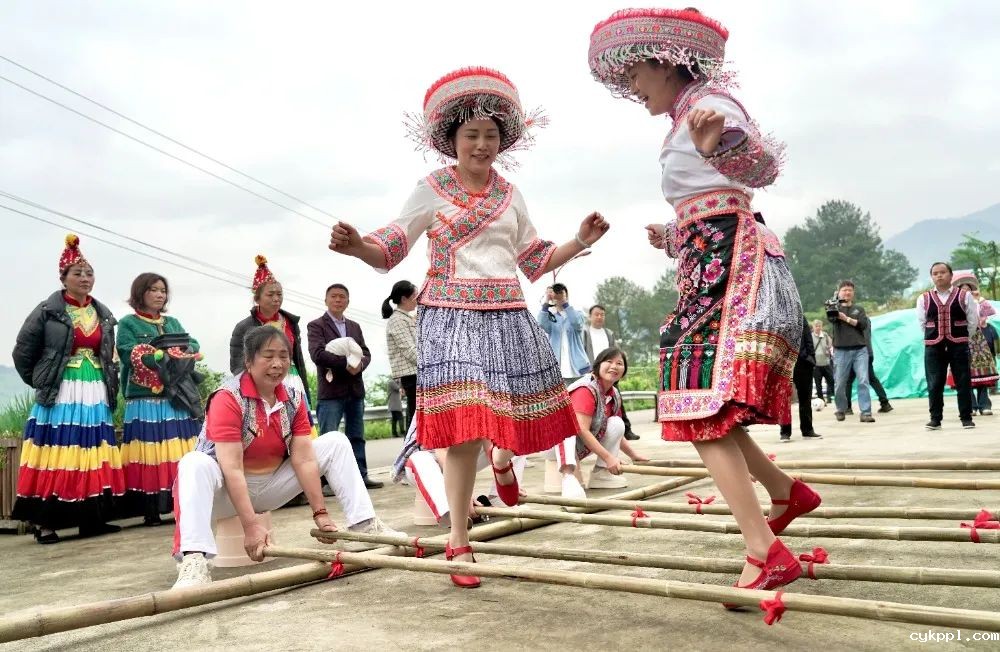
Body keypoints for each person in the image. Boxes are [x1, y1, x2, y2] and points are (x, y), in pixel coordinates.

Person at [328, 66, 608, 587]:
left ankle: (501, 459)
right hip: (450, 319)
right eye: (471, 135)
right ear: (451, 141)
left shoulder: (511, 194)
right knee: (461, 429)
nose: (482, 144)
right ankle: (459, 541)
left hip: (505, 317)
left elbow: (534, 259)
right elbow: (390, 247)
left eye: (490, 136)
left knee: (502, 417)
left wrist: (579, 238)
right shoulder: (430, 189)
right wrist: (355, 246)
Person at [588, 7, 817, 601]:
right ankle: (785, 494)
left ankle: (763, 548)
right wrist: (673, 235)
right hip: (705, 258)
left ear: (665, 63)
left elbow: (760, 166)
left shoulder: (711, 102)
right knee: (700, 397)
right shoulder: (683, 117)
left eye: (636, 74)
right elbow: (711, 195)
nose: (632, 87)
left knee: (694, 400)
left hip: (729, 263)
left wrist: (725, 144)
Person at [171, 326, 399, 589]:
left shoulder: (293, 397)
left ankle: (364, 527)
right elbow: (231, 468)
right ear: (248, 361)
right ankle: (195, 562)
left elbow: (304, 460)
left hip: (270, 487)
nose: (277, 364)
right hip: (223, 494)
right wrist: (252, 527)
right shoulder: (227, 398)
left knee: (335, 442)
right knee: (193, 462)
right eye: (268, 356)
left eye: (283, 356)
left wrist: (320, 512)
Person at [11, 234, 125, 543]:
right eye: (77, 273)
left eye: (89, 273)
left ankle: (92, 519)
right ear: (63, 277)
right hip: (63, 390)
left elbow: (107, 352)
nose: (85, 278)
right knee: (61, 450)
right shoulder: (48, 311)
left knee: (92, 449)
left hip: (95, 389)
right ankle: (45, 522)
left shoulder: (102, 314)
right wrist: (42, 380)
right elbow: (23, 352)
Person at [117, 273, 203, 526]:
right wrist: (154, 357)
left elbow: (192, 342)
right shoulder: (128, 324)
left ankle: (183, 501)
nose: (159, 295)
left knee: (179, 449)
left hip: (175, 395)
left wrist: (179, 351)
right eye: (153, 290)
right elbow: (126, 351)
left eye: (163, 290)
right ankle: (151, 509)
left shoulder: (173, 322)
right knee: (150, 452)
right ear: (140, 293)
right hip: (145, 398)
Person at [307, 284, 381, 489]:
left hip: (355, 389)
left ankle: (361, 476)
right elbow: (317, 354)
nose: (338, 300)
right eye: (334, 296)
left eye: (342, 297)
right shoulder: (316, 326)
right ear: (326, 300)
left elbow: (366, 353)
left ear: (348, 302)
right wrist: (346, 364)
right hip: (331, 392)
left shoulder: (355, 326)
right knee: (328, 438)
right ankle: (327, 482)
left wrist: (360, 365)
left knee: (357, 436)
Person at [547, 348, 649, 497]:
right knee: (566, 426)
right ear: (598, 365)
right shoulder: (586, 389)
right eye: (609, 361)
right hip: (555, 443)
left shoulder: (613, 393)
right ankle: (568, 477)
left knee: (616, 423)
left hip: (580, 444)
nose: (614, 366)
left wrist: (633, 456)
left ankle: (601, 474)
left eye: (619, 363)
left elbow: (617, 432)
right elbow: (581, 429)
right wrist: (609, 458)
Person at [391, 418, 527, 529]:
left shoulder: (481, 394)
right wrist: (463, 496)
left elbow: (489, 445)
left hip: (463, 456)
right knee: (420, 459)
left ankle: (498, 498)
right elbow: (443, 453)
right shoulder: (439, 392)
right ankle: (450, 514)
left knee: (513, 440)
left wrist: (504, 475)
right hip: (427, 460)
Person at [229, 255, 312, 409]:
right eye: (270, 294)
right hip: (260, 384)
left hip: (292, 380)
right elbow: (237, 365)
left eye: (279, 294)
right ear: (257, 299)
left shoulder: (290, 323)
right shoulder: (244, 327)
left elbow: (299, 361)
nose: (276, 298)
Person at [918, 262, 979, 430]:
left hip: (958, 345)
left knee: (963, 381)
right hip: (933, 346)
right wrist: (937, 336)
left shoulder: (964, 296)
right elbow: (922, 323)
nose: (939, 275)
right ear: (932, 277)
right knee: (934, 383)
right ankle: (935, 419)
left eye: (943, 272)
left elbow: (972, 320)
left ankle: (966, 418)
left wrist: (962, 337)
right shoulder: (924, 298)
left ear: (951, 275)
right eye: (935, 273)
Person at [584, 304, 638, 441]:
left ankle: (626, 430)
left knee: (616, 399)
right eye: (596, 314)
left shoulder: (608, 333)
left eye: (602, 314)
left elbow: (616, 353)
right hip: (592, 372)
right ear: (590, 316)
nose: (599, 317)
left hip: (610, 373)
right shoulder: (585, 333)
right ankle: (594, 431)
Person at [829, 281, 875, 423]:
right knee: (840, 383)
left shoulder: (859, 309)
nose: (847, 293)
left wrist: (846, 319)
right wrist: (834, 304)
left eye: (849, 290)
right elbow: (831, 318)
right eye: (844, 290)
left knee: (863, 380)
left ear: (853, 293)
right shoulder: (834, 308)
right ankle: (841, 409)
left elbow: (862, 324)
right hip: (841, 350)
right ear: (839, 292)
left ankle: (866, 412)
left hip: (860, 350)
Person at [536, 283, 591, 384]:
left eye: (561, 293)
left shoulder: (577, 313)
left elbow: (576, 323)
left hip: (577, 367)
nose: (558, 295)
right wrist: (546, 301)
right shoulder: (551, 316)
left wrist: (565, 303)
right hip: (557, 367)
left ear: (567, 295)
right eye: (556, 293)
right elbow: (541, 324)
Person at [382, 280, 418, 427]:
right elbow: (409, 350)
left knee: (416, 417)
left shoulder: (405, 318)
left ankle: (414, 448)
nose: (418, 299)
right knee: (416, 419)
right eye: (415, 296)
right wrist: (431, 365)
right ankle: (411, 449)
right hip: (412, 374)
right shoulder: (397, 320)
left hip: (415, 373)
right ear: (404, 299)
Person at [780, 317, 821, 441]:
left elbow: (808, 339)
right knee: (784, 398)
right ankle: (785, 432)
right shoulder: (778, 316)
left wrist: (811, 359)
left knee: (805, 397)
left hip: (803, 361)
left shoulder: (801, 317)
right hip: (784, 361)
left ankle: (807, 430)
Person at [844, 323, 893, 414]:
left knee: (848, 380)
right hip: (868, 352)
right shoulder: (865, 319)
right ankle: (885, 403)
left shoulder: (851, 320)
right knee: (872, 379)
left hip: (857, 353)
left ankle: (847, 408)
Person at [811, 320, 834, 403]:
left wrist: (829, 349)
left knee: (831, 380)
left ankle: (829, 396)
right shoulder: (811, 336)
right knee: (818, 383)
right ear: (813, 327)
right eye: (816, 326)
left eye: (819, 326)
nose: (818, 328)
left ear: (821, 326)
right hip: (816, 364)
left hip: (826, 362)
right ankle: (821, 399)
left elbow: (830, 345)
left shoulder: (825, 335)